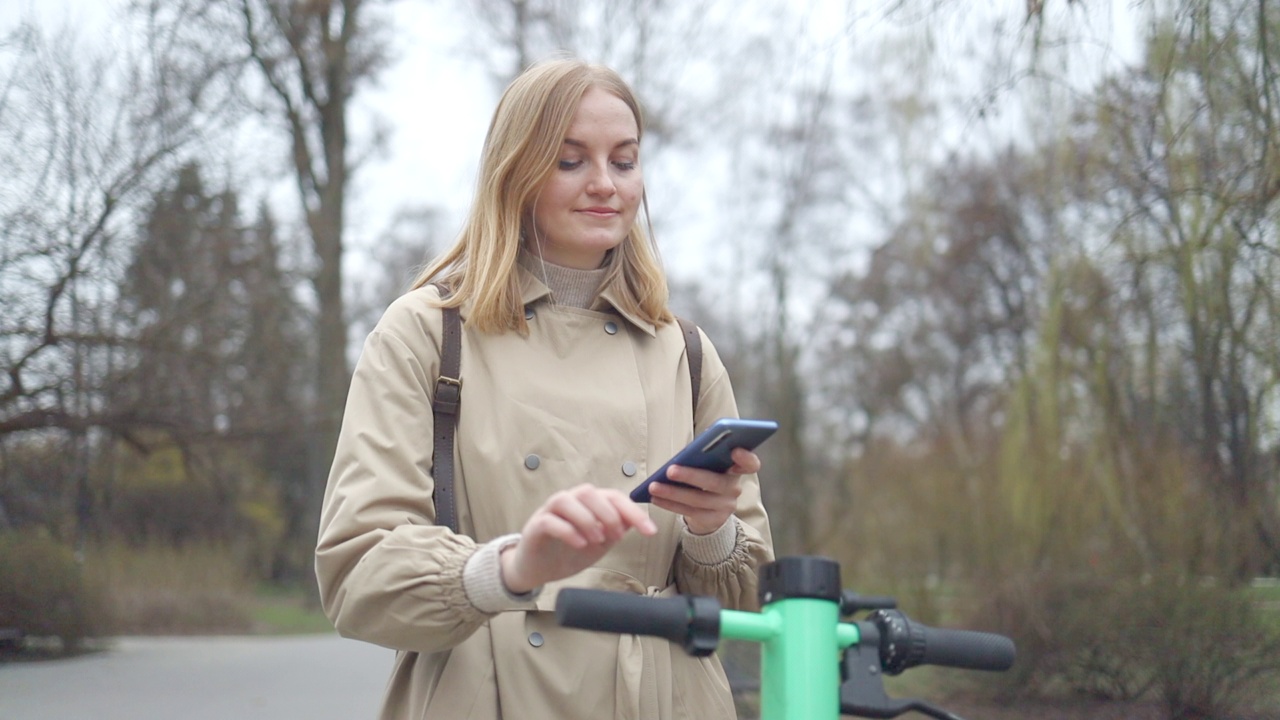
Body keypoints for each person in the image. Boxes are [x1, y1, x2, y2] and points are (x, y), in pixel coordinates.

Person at [315, 58, 774, 720]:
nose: (604, 185)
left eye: (624, 161)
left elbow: (745, 607)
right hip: (487, 693)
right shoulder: (425, 332)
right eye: (569, 161)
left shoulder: (687, 352)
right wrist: (511, 570)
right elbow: (360, 574)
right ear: (516, 171)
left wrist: (709, 528)